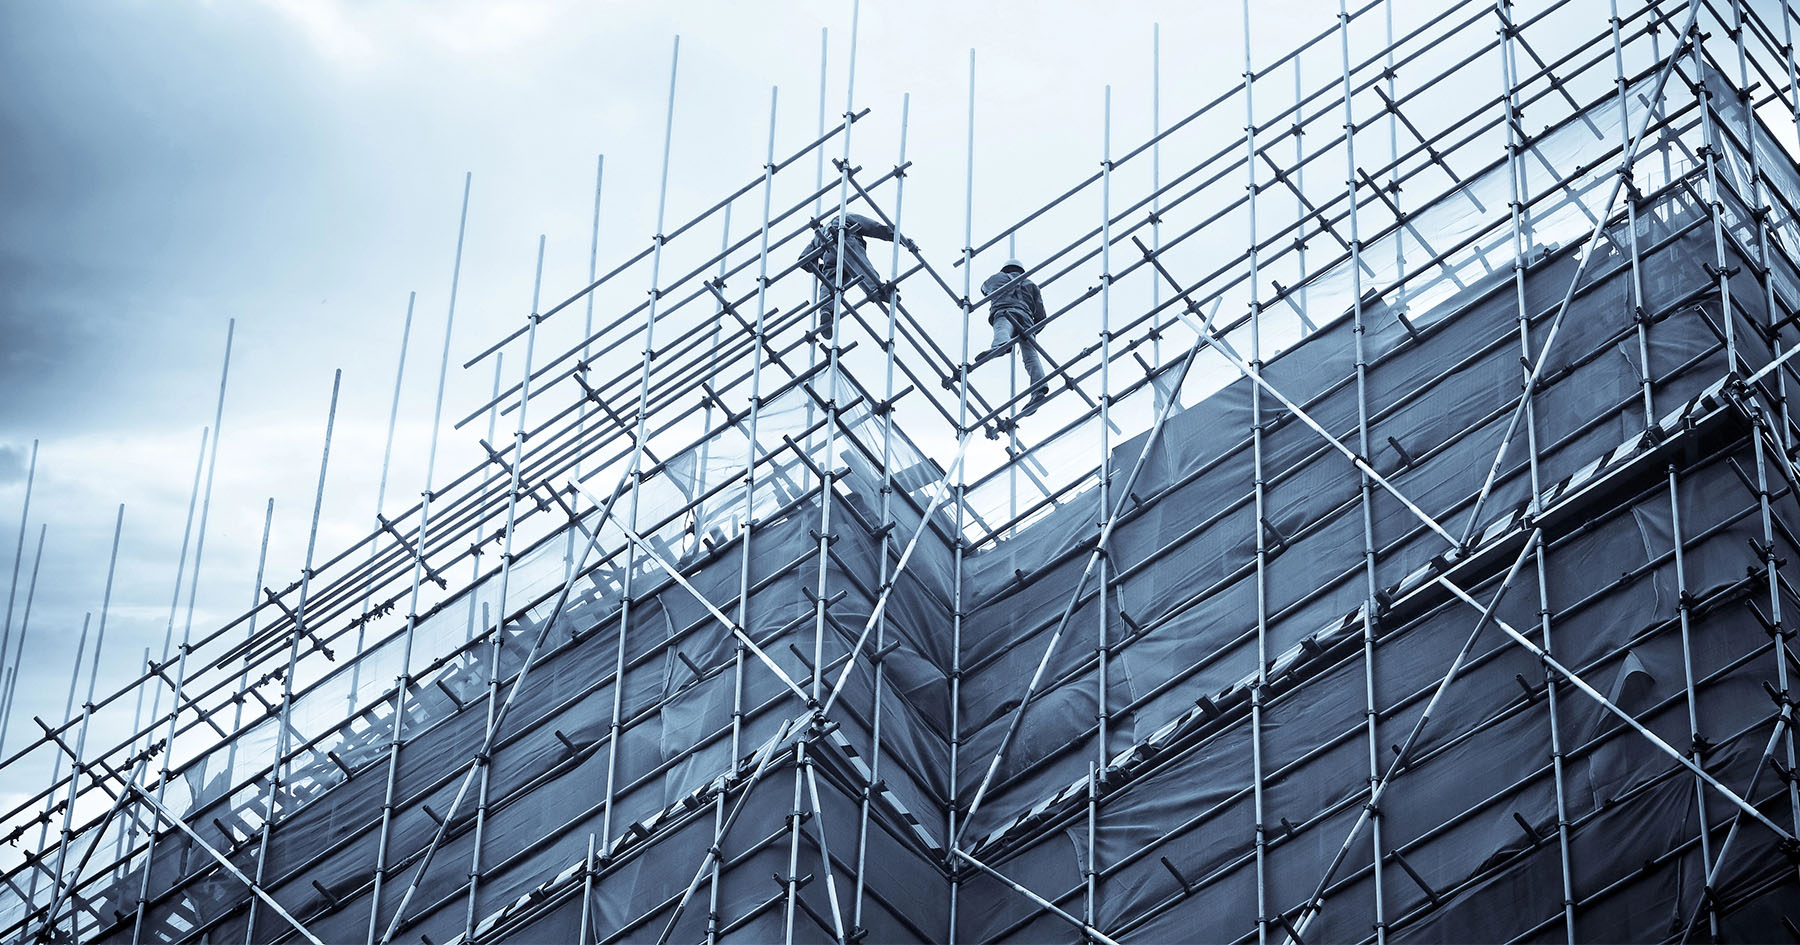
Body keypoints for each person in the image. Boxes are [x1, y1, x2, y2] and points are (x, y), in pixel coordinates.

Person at [799, 213, 911, 336]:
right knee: (860, 266)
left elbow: (804, 260)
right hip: (844, 240)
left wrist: (820, 268)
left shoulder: (817, 237)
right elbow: (873, 227)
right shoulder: (841, 218)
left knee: (829, 282)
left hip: (829, 254)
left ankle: (826, 310)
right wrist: (899, 239)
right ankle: (877, 290)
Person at [974, 259, 1050, 409]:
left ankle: (1001, 346)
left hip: (1005, 311)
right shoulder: (1031, 284)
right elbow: (1041, 316)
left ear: (1005, 269)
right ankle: (1039, 386)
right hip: (1027, 319)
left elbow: (984, 289)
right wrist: (1032, 332)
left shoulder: (996, 277)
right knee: (1031, 356)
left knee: (1002, 330)